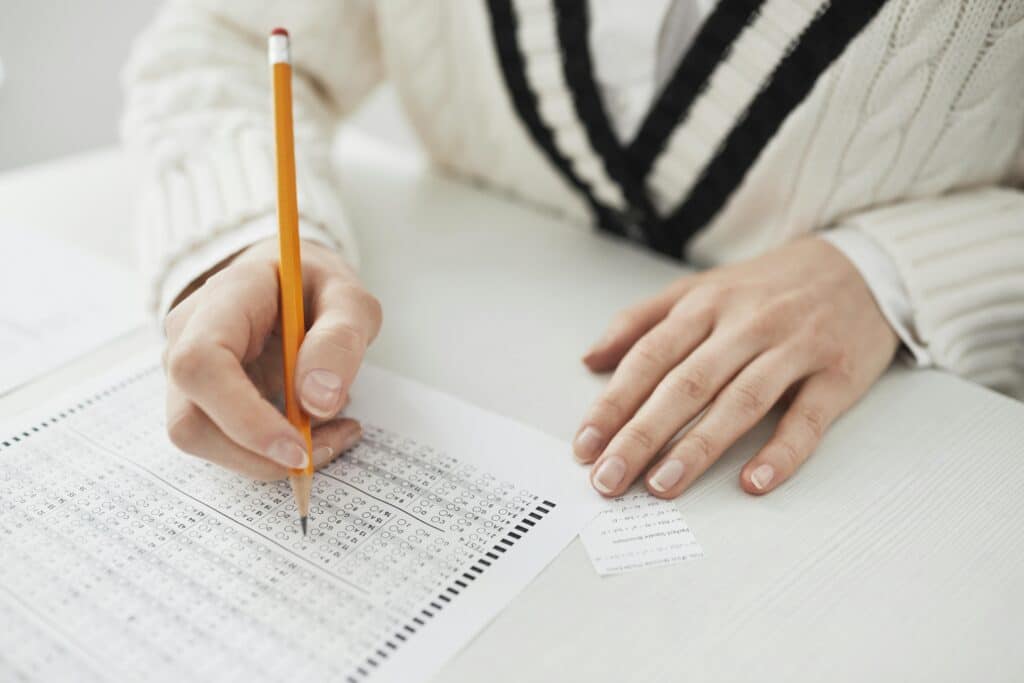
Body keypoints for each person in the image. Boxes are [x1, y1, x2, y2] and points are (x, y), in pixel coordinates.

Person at [122, 0, 1024, 500]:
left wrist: (888, 270)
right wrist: (246, 236)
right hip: (487, 370)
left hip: (914, 471)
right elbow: (228, 41)